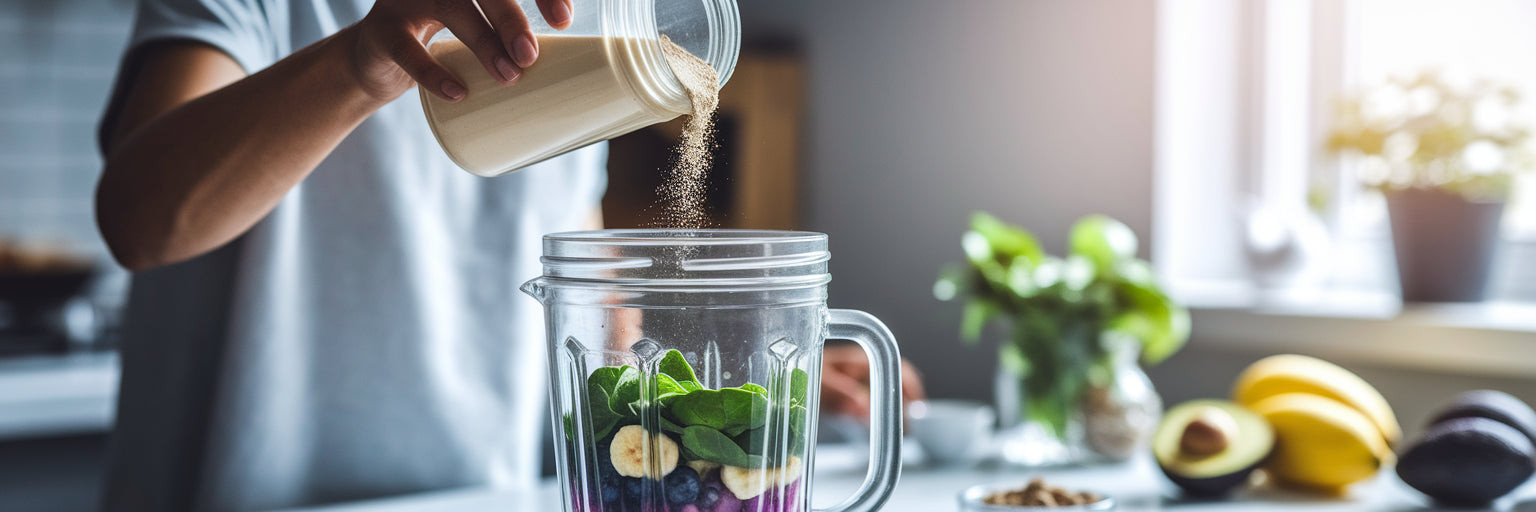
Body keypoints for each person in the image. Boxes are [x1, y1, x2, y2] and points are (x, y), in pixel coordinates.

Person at [95, 0, 924, 510]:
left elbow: (597, 312)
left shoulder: (585, 19)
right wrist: (358, 66)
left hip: (473, 494)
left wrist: (736, 403)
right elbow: (139, 221)